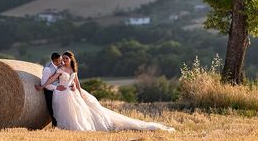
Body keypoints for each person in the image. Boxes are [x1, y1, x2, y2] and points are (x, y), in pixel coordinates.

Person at [38, 51, 174, 132]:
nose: (64, 60)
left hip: (71, 92)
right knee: (64, 112)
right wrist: (42, 86)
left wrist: (79, 93)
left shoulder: (73, 70)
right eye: (63, 58)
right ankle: (62, 128)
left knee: (76, 112)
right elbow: (52, 79)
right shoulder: (60, 70)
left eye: (66, 58)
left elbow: (77, 83)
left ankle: (75, 127)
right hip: (62, 92)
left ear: (71, 59)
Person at [38, 52, 68, 127]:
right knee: (52, 109)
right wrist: (56, 88)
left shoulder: (60, 66)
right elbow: (44, 84)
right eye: (60, 60)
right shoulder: (48, 69)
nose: (62, 61)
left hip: (59, 90)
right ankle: (55, 126)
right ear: (55, 61)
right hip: (50, 91)